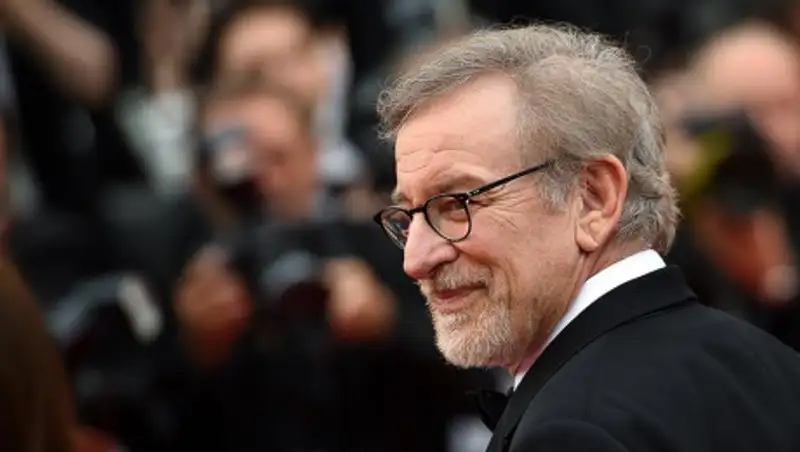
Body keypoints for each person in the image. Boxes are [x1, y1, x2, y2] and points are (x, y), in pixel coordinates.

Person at [373, 23, 800, 452]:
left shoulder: (571, 433)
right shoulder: (777, 367)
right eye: (408, 216)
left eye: (456, 204)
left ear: (594, 198)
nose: (416, 260)